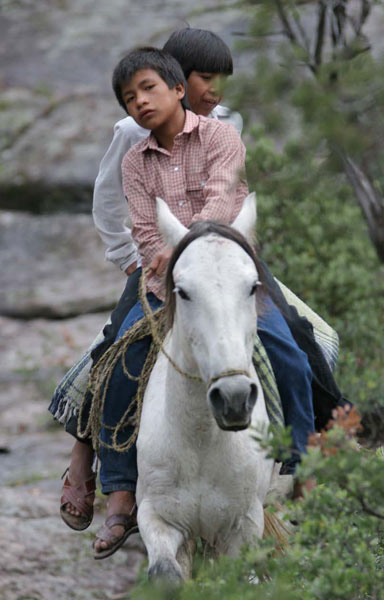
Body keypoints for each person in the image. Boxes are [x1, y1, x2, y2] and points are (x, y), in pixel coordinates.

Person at [91, 47, 314, 559]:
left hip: (229, 267)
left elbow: (221, 199)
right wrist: (163, 261)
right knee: (117, 361)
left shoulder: (221, 136)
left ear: (177, 89)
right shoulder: (134, 160)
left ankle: (301, 466)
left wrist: (189, 246)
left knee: (292, 351)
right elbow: (145, 229)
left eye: (148, 89)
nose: (140, 102)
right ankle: (121, 489)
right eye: (129, 98)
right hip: (166, 279)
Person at [57, 28, 245, 531]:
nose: (216, 89)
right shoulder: (132, 138)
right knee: (115, 349)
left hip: (222, 257)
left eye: (221, 79)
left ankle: (308, 448)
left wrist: (200, 249)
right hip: (155, 268)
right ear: (178, 78)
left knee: (292, 334)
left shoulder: (227, 127)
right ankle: (100, 471)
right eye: (207, 77)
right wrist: (130, 258)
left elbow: (226, 198)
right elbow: (117, 207)